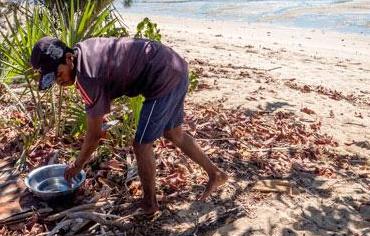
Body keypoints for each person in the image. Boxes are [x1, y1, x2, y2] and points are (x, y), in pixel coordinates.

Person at [30, 36, 227, 216]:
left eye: (58, 74)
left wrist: (77, 165)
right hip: (174, 65)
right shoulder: (83, 51)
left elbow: (95, 135)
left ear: (69, 58)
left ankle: (150, 204)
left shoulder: (87, 77)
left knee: (141, 145)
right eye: (53, 79)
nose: (59, 81)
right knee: (174, 133)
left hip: (163, 78)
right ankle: (216, 174)